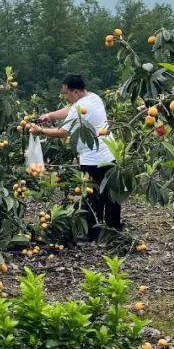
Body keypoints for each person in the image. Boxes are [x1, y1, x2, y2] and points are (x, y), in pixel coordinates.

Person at [31, 74, 122, 238]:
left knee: (91, 197)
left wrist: (40, 131)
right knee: (111, 195)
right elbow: (72, 109)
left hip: (92, 159)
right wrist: (50, 115)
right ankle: (114, 230)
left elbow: (62, 133)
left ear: (76, 92)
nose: (65, 96)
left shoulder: (79, 107)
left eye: (66, 93)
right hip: (110, 154)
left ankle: (93, 233)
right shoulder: (93, 98)